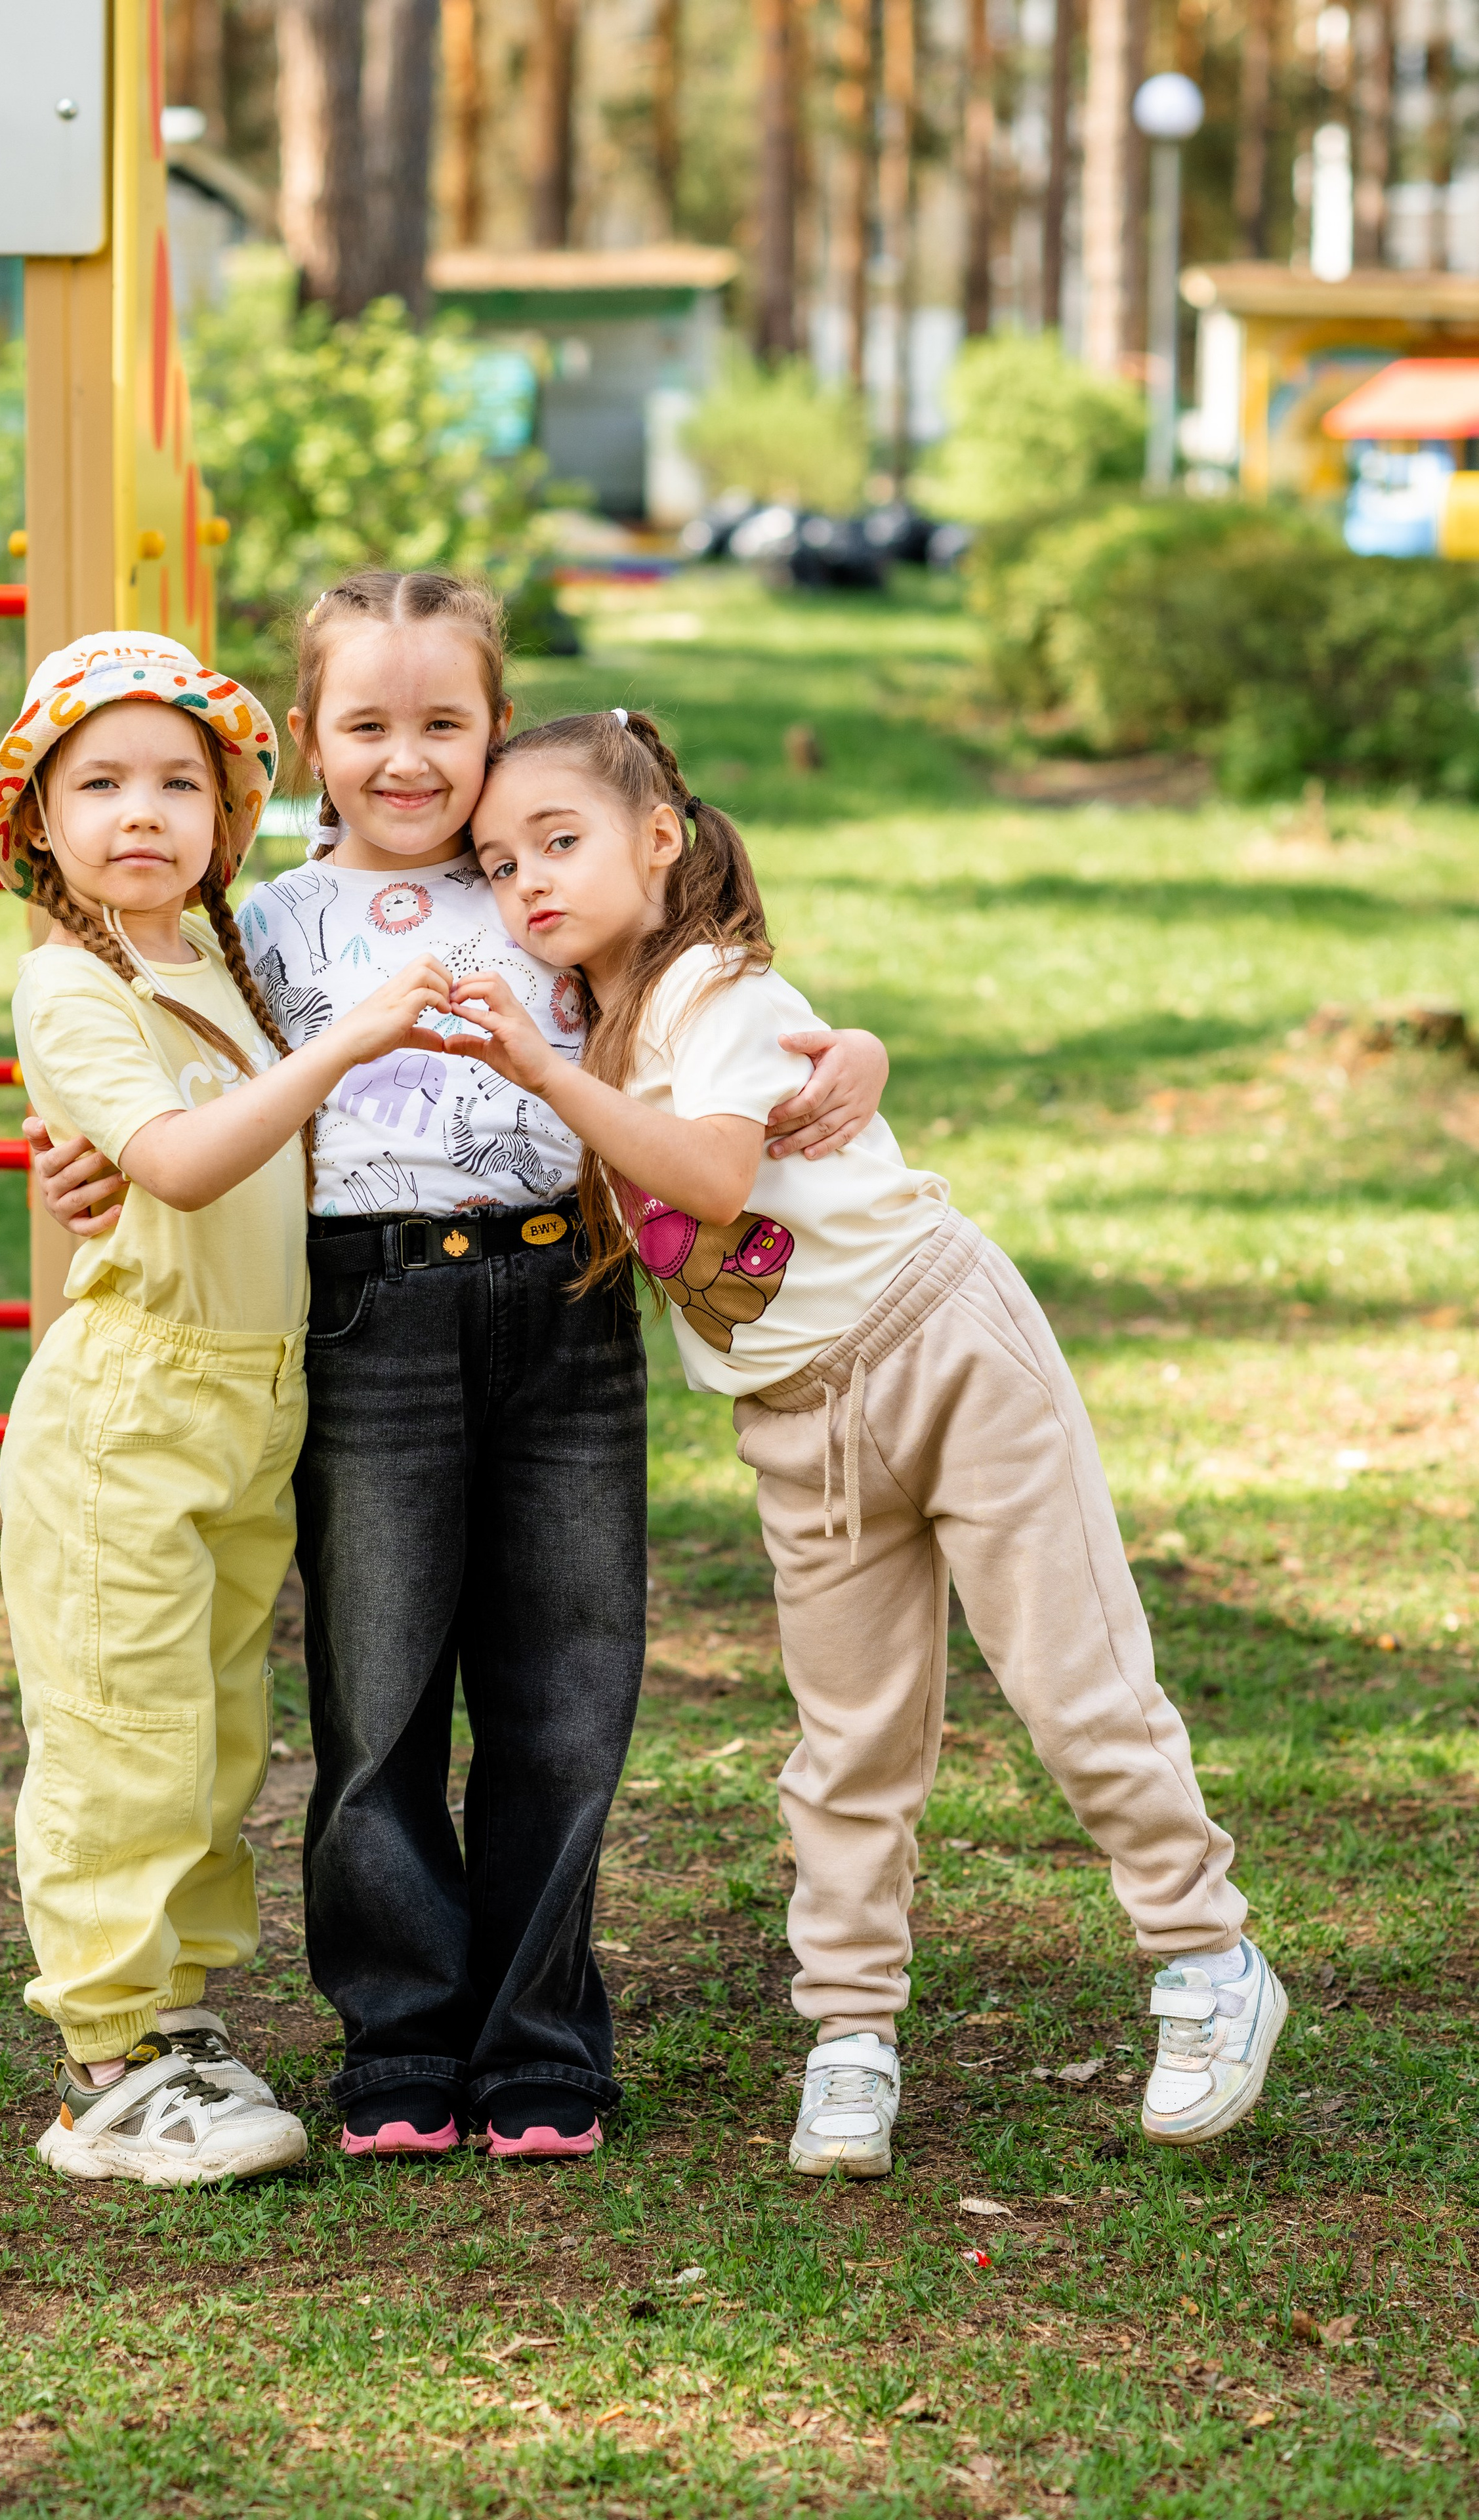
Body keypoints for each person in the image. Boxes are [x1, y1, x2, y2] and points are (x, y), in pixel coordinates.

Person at [27, 573, 892, 2162]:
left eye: (445, 723)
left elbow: (719, 1000)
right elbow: (166, 1086)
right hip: (368, 1320)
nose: (407, 759)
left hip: (564, 1299)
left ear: (498, 730)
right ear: (310, 739)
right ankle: (403, 2035)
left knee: (564, 1687)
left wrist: (856, 1051)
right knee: (380, 1698)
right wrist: (78, 1160)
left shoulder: (548, 890)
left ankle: (539, 2038)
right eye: (368, 725)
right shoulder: (257, 927)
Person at [443, 704, 1289, 2179]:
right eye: (502, 863)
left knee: (1074, 1684)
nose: (529, 883)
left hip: (943, 1347)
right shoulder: (577, 1018)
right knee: (845, 1745)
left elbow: (714, 1178)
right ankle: (849, 2032)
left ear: (660, 837)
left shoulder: (709, 986)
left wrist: (554, 1075)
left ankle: (1206, 1957)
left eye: (559, 842)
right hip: (795, 1418)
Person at [0, 630, 457, 2185]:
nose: (142, 812)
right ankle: (106, 2062)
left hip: (256, 1400)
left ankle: (175, 2017)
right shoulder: (69, 980)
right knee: (121, 1728)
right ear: (36, 821)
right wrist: (351, 1042)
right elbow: (182, 1163)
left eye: (178, 784)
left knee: (211, 1733)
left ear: (231, 814)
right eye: (99, 784)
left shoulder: (219, 958)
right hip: (134, 1406)